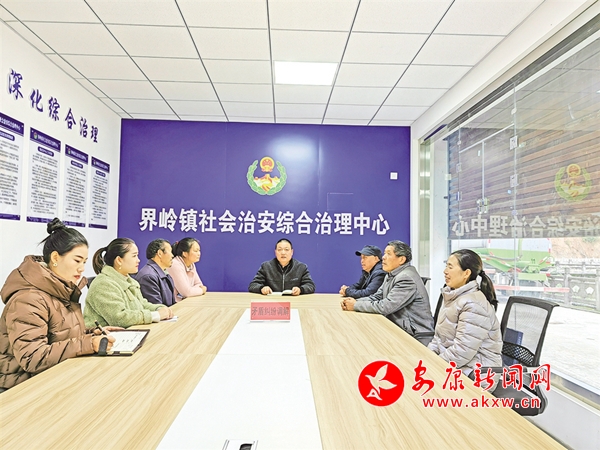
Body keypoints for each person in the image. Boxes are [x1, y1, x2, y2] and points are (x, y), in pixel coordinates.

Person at [0, 218, 117, 391]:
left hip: (54, 378)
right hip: (21, 388)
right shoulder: (28, 299)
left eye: (84, 262)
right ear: (55, 258)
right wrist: (88, 344)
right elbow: (32, 358)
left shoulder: (62, 289)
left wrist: (93, 333)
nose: (82, 268)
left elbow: (59, 335)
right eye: (77, 260)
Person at [341, 240, 434, 344]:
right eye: (384, 253)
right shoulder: (391, 274)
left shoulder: (406, 277)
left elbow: (386, 306)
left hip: (415, 335)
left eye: (388, 254)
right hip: (400, 328)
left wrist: (355, 305)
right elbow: (376, 297)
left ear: (401, 259)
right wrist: (354, 302)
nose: (384, 257)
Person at [428, 249, 502, 374]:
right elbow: (439, 339)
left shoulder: (473, 304)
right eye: (446, 266)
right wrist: (427, 356)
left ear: (466, 273)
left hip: (476, 372)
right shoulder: (453, 296)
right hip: (457, 364)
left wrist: (434, 366)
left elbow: (462, 351)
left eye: (450, 267)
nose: (445, 271)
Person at [84, 238, 173, 328]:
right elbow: (119, 319)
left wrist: (159, 308)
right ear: (119, 260)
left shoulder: (131, 281)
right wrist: (155, 315)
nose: (138, 260)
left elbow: (143, 305)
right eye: (134, 256)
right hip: (108, 335)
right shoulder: (103, 284)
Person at [248, 238, 316, 295]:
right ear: (275, 252)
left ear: (292, 252)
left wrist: (300, 289)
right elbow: (253, 285)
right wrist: (262, 288)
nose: (283, 253)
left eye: (286, 249)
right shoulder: (266, 266)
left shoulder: (301, 267)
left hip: (293, 302)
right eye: (279, 250)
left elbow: (310, 286)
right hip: (272, 302)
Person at [134, 239, 176, 306]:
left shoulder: (165, 274)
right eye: (170, 252)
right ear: (160, 253)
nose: (172, 255)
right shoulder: (148, 277)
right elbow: (156, 307)